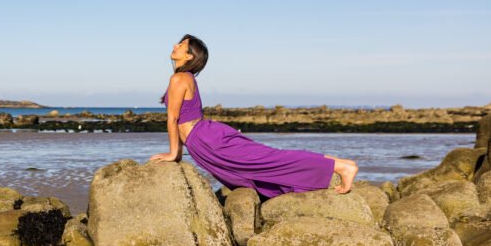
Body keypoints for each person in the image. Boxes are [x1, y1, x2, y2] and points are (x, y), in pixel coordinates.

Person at [149, 34, 358, 197]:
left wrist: (173, 153)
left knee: (272, 160)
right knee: (270, 159)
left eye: (181, 45)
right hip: (204, 138)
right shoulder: (186, 77)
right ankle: (339, 164)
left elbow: (173, 119)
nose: (175, 45)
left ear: (189, 56)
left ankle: (341, 166)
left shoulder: (179, 78)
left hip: (206, 140)